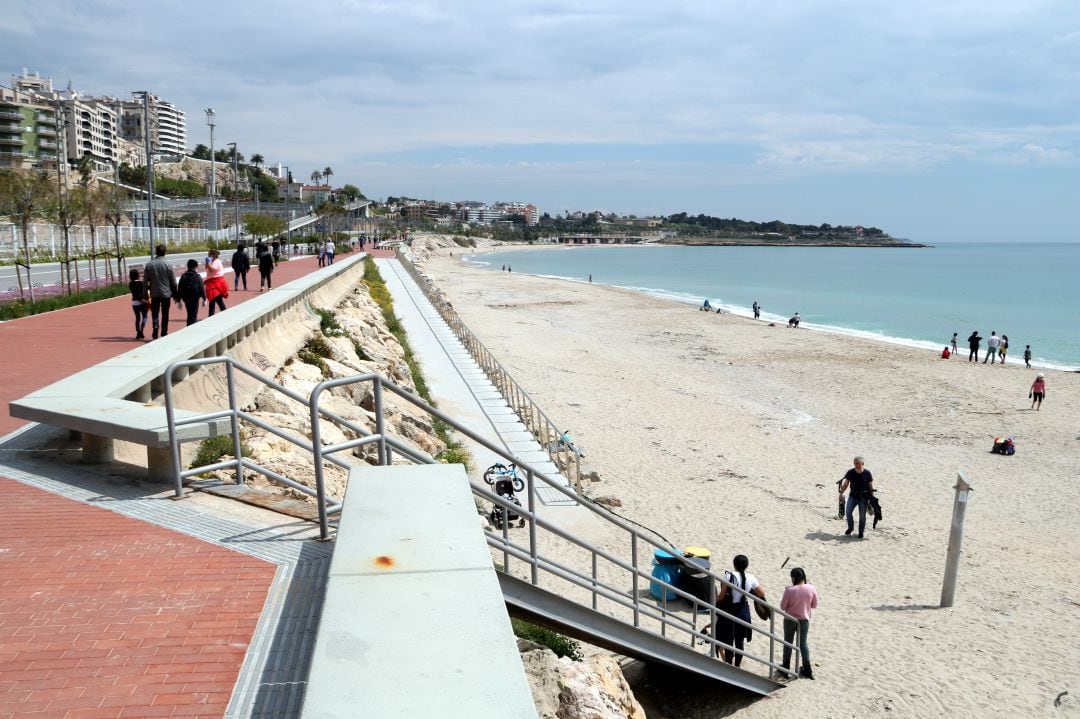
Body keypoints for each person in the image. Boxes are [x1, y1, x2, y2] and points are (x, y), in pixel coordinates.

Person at [714, 555, 766, 667]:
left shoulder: (728, 576)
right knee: (739, 642)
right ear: (746, 566)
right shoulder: (751, 577)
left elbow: (722, 596)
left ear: (734, 564)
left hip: (729, 611)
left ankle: (728, 664)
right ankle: (737, 665)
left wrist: (714, 601)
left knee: (728, 641)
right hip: (743, 611)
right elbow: (761, 593)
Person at [779, 567, 818, 680]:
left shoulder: (789, 590)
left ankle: (785, 668)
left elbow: (782, 606)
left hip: (790, 619)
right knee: (803, 643)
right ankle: (808, 669)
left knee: (788, 642)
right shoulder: (811, 588)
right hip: (804, 620)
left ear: (793, 578)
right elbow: (814, 605)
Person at [143, 244, 177, 339]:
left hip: (154, 293)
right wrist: (175, 294)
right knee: (165, 313)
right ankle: (164, 332)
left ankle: (155, 325)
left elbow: (145, 281)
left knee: (155, 312)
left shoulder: (149, 265)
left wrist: (145, 293)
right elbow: (173, 282)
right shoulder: (168, 265)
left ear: (156, 252)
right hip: (166, 293)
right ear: (165, 252)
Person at [838, 456, 875, 539]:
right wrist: (841, 493)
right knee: (848, 512)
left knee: (862, 516)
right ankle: (850, 527)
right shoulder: (850, 472)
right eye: (855, 463)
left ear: (863, 464)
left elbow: (870, 485)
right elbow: (846, 483)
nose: (857, 465)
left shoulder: (867, 473)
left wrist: (872, 497)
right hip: (853, 496)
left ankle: (861, 532)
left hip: (863, 498)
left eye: (859, 463)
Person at [175, 259, 206, 326]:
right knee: (194, 314)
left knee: (189, 313)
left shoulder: (183, 276)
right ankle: (192, 327)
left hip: (186, 298)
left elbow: (180, 288)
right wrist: (204, 298)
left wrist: (178, 300)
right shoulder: (197, 276)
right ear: (195, 267)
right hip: (195, 298)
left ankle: (189, 325)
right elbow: (202, 288)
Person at [204, 248, 228, 316]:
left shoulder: (217, 262)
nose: (208, 256)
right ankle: (212, 315)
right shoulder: (212, 261)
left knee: (217, 299)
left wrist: (208, 263)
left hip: (216, 284)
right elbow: (206, 268)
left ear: (213, 255)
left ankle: (223, 313)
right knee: (213, 300)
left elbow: (212, 269)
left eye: (209, 255)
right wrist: (207, 262)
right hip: (212, 283)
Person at [127, 268, 149, 339]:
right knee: (145, 316)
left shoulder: (130, 284)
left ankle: (138, 330)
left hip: (134, 302)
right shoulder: (141, 283)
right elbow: (146, 289)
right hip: (142, 302)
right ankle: (142, 328)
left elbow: (135, 292)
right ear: (137, 275)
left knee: (137, 317)